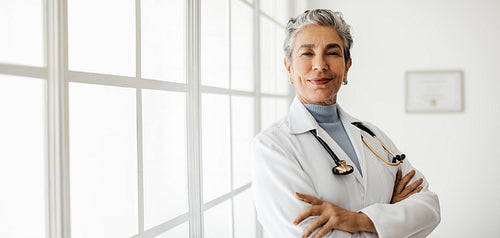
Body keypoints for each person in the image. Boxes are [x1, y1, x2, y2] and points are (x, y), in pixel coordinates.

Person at [251, 9, 440, 238]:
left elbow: (429, 208)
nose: (320, 65)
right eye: (307, 53)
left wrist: (358, 220)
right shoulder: (273, 146)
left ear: (347, 66)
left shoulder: (371, 134)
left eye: (332, 53)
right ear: (289, 67)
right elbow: (308, 235)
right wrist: (390, 219)